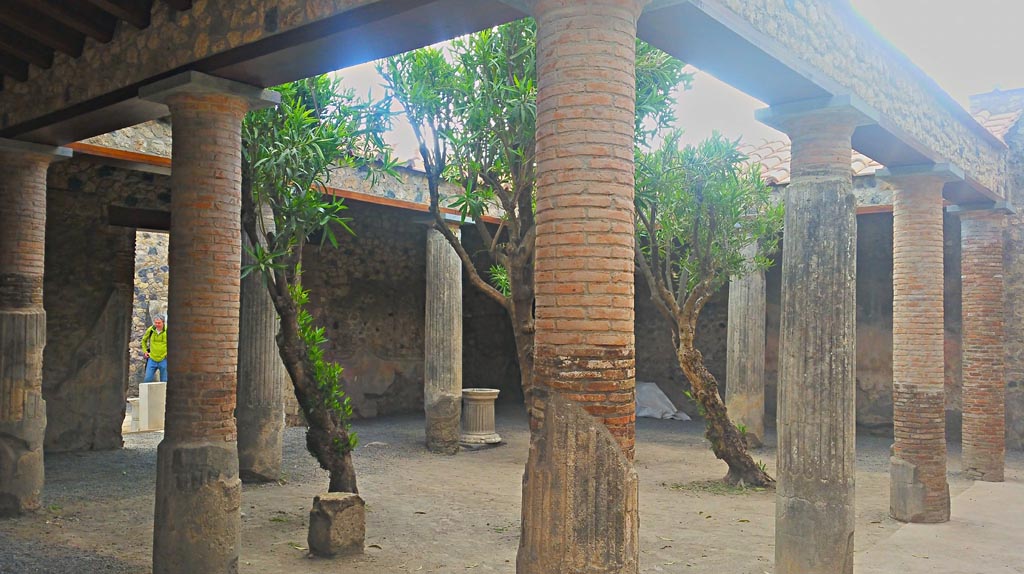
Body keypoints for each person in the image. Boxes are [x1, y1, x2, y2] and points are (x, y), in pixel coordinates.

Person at [142, 315, 168, 383]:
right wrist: (145, 351)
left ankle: (164, 394)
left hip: (164, 359)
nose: (157, 324)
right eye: (155, 322)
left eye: (159, 323)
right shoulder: (151, 330)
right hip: (152, 359)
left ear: (163, 322)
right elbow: (143, 340)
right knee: (147, 379)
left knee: (164, 381)